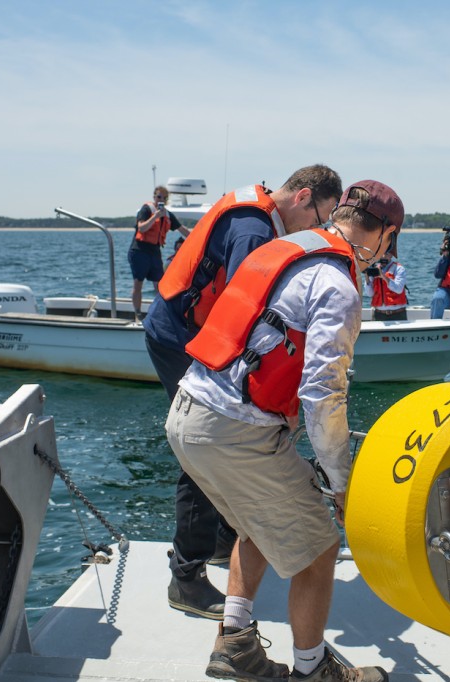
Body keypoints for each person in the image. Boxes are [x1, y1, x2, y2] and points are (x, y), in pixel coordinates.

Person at [165, 180, 402, 682]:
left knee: (254, 524)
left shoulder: (283, 248)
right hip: (234, 431)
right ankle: (314, 671)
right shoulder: (337, 286)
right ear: (386, 235)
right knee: (318, 548)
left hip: (187, 414)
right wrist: (342, 484)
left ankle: (235, 644)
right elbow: (321, 397)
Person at [143, 165, 343, 620]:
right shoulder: (254, 232)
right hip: (180, 338)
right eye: (319, 218)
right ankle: (186, 577)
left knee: (212, 439)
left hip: (183, 329)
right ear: (303, 197)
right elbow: (246, 307)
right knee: (205, 439)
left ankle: (222, 543)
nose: (318, 230)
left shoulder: (259, 214)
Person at [129, 186, 190, 317]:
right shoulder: (146, 210)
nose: (160, 200)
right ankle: (137, 314)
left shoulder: (167, 215)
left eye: (163, 198)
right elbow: (142, 228)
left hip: (154, 252)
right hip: (139, 251)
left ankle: (161, 313)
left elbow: (181, 229)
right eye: (158, 197)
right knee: (138, 283)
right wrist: (155, 216)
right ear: (154, 197)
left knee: (160, 284)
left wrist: (196, 237)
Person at [363, 252, 408, 321]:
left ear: (391, 255)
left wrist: (383, 276)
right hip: (379, 314)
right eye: (381, 253)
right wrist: (366, 276)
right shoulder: (374, 269)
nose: (383, 256)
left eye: (386, 254)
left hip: (398, 314)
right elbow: (370, 294)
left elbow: (398, 289)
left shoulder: (399, 269)